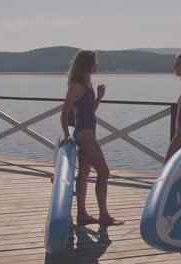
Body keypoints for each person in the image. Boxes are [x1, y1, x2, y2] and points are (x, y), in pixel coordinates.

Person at [60, 49, 124, 226]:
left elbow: (89, 112)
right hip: (84, 133)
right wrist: (66, 134)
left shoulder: (87, 84)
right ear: (86, 64)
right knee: (104, 172)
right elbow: (64, 114)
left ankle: (82, 214)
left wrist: (100, 98)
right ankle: (104, 216)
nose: (97, 64)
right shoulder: (75, 86)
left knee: (85, 173)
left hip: (89, 130)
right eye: (94, 62)